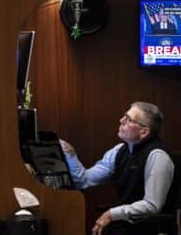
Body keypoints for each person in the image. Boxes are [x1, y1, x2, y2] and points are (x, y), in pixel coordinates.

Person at [60, 101, 174, 235]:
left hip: (145, 227)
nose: (121, 121)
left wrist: (111, 214)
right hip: (124, 224)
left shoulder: (157, 156)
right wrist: (71, 155)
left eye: (128, 119)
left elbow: (152, 205)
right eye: (124, 117)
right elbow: (84, 180)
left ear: (144, 131)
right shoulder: (119, 150)